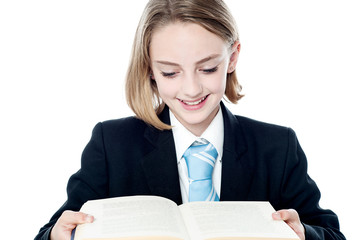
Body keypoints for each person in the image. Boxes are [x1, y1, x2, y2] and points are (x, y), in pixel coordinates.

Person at [35, 0, 345, 240]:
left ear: (232, 58)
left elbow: (330, 233)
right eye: (170, 72)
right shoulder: (112, 144)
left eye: (208, 68)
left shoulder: (277, 147)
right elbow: (53, 231)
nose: (192, 89)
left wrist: (303, 232)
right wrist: (58, 234)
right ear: (150, 69)